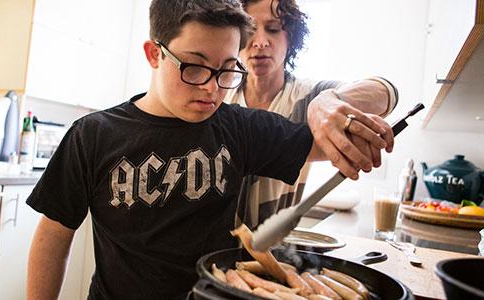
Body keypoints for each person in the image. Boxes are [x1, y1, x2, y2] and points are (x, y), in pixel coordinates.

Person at [26, 0, 393, 299]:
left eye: (226, 70)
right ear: (154, 54)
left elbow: (329, 139)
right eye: (195, 67)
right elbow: (55, 234)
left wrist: (345, 122)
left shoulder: (239, 127)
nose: (212, 89)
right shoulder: (93, 135)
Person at [227, 0, 398, 229]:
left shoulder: (306, 97)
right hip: (213, 255)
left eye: (274, 29)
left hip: (273, 252)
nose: (260, 42)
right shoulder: (220, 97)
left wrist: (329, 102)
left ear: (291, 37)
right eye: (250, 30)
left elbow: (386, 92)